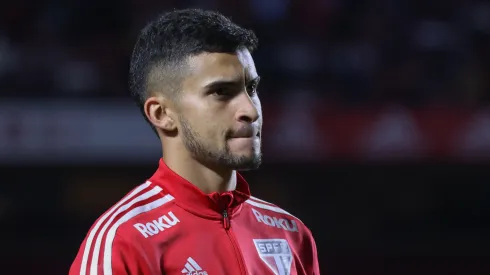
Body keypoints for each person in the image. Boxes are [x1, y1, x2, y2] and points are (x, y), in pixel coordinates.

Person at [69, 8, 320, 275]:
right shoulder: (123, 242)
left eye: (252, 89)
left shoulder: (290, 234)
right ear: (162, 114)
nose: (251, 110)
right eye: (221, 92)